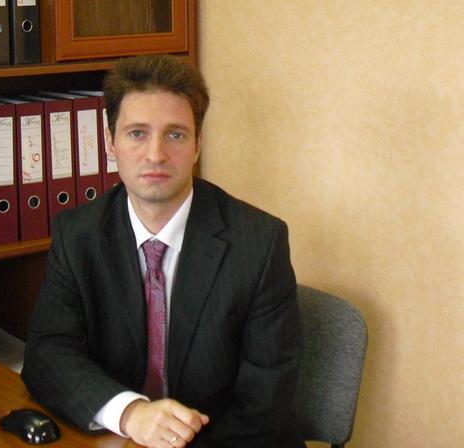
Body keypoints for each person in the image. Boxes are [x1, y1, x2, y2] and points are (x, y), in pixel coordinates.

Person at [21, 54, 304, 448]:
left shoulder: (259, 243)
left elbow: (265, 403)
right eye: (137, 133)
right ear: (110, 142)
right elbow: (47, 355)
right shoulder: (78, 235)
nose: (155, 154)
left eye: (175, 135)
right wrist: (130, 413)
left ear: (198, 144)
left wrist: (171, 440)